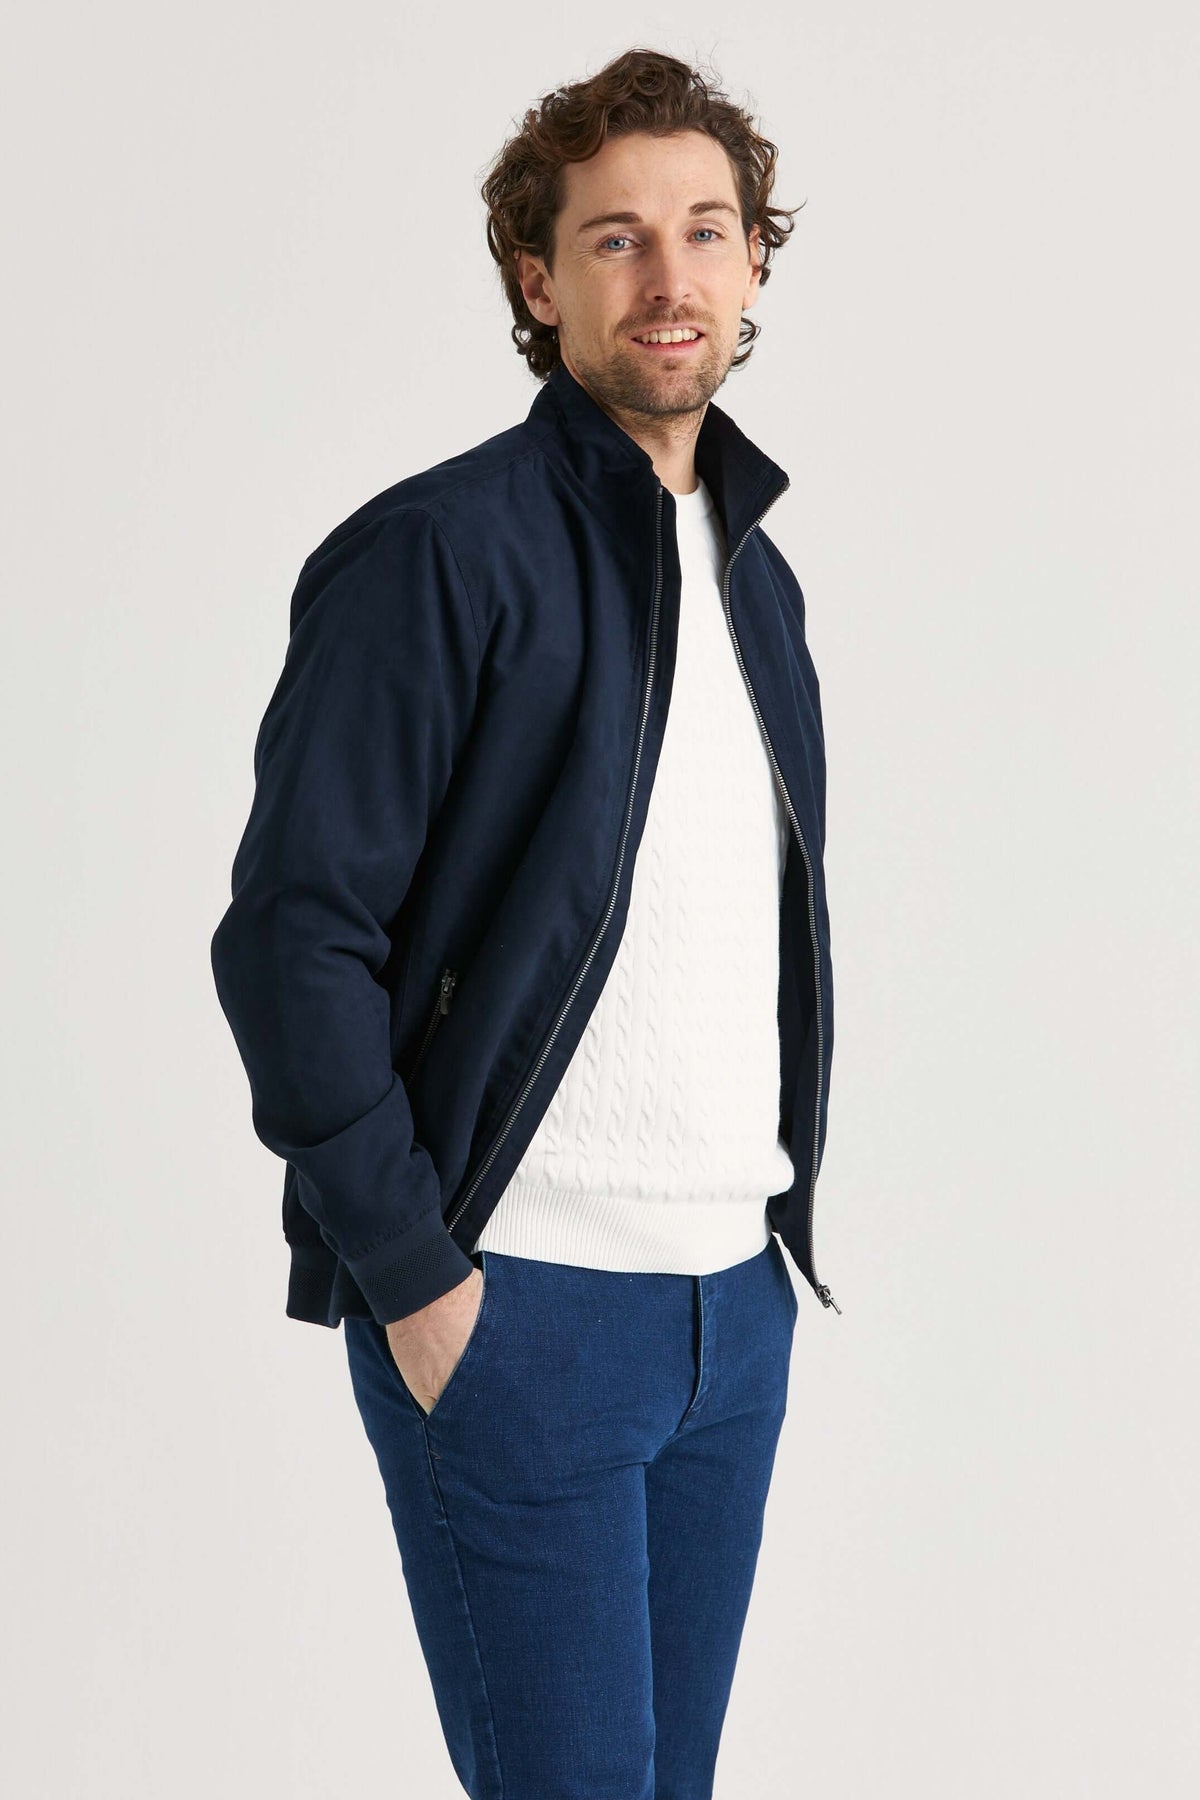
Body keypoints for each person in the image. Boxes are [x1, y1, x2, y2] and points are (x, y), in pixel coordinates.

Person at [210, 44, 838, 1800]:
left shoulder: (761, 580)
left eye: (704, 230)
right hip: (523, 1312)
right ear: (536, 276)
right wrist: (416, 1280)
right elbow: (292, 939)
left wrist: (762, 1271)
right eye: (616, 238)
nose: (669, 276)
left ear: (756, 264)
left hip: (731, 1314)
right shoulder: (435, 553)